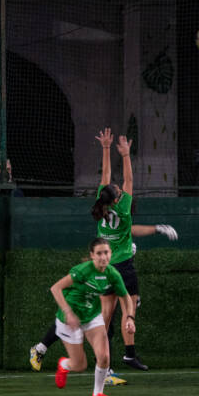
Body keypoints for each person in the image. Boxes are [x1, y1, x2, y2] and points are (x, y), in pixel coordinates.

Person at [28, 127, 178, 378]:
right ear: (118, 198)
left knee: (104, 317)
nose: (119, 186)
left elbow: (107, 176)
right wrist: (126, 154)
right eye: (118, 189)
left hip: (107, 267)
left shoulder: (102, 205)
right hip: (119, 266)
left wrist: (107, 149)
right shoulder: (124, 209)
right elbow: (128, 181)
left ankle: (110, 363)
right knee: (106, 312)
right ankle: (112, 358)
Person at [50, 237, 136, 396]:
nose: (103, 257)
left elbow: (126, 298)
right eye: (99, 253)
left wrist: (130, 318)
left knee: (104, 357)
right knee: (79, 365)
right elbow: (56, 288)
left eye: (106, 252)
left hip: (91, 316)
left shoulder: (112, 274)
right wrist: (68, 313)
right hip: (69, 320)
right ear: (92, 255)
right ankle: (64, 365)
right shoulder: (82, 271)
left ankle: (98, 394)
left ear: (111, 254)